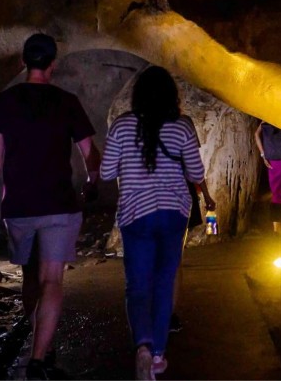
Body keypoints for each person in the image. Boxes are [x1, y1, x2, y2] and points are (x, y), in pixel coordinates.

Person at [0, 33, 101, 380]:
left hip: (18, 206)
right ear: (52, 64)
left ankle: (41, 345)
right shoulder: (66, 102)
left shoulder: (4, 102)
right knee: (52, 280)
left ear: (23, 62)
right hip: (59, 204)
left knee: (30, 277)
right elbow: (89, 152)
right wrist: (92, 182)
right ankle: (39, 357)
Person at [101, 66, 215, 380]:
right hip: (173, 213)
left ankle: (142, 345)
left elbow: (107, 172)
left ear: (137, 95)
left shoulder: (122, 126)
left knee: (137, 286)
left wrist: (131, 162)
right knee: (164, 282)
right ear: (171, 96)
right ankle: (158, 355)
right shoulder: (181, 127)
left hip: (135, 214)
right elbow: (196, 173)